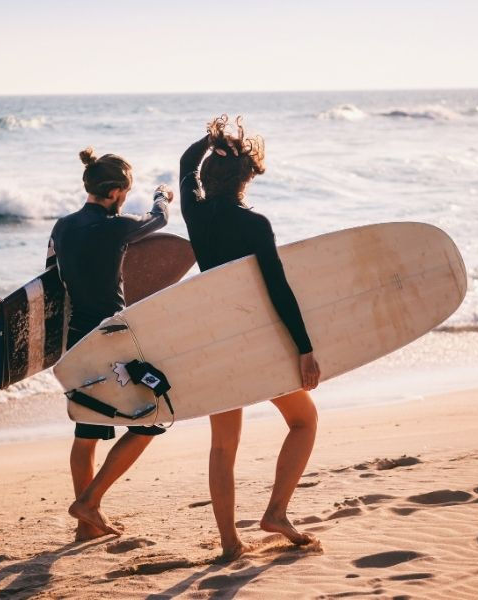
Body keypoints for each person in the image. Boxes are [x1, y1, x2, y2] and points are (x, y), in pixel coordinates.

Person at [178, 115, 321, 560]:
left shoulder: (194, 214)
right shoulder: (255, 225)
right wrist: (304, 348)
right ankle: (276, 512)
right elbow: (278, 290)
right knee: (304, 422)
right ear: (246, 178)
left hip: (218, 341)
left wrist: (212, 139)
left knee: (223, 444)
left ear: (207, 176)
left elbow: (185, 162)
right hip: (260, 341)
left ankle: (229, 543)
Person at [52, 147, 174, 540]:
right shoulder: (117, 227)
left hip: (77, 342)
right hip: (112, 339)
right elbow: (159, 220)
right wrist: (161, 195)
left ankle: (87, 526)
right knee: (153, 417)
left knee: (87, 433)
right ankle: (89, 503)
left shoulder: (62, 227)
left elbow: (51, 284)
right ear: (119, 191)